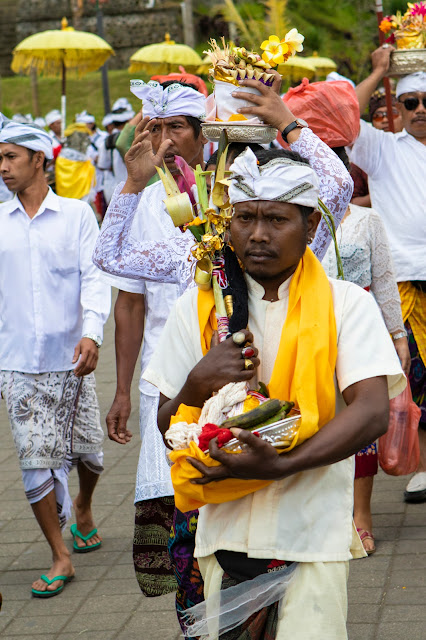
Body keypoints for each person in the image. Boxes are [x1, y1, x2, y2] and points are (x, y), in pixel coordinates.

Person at [142, 92, 406, 638]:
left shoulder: (343, 303)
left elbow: (373, 412)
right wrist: (198, 381)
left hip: (312, 534)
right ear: (228, 224)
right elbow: (169, 423)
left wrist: (282, 464)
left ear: (310, 230)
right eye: (246, 219)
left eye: (277, 220)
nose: (258, 234)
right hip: (224, 530)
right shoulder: (201, 308)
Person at [93, 80, 207, 608]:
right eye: (153, 128)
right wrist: (121, 391)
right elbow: (129, 301)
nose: (163, 140)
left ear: (204, 135)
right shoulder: (140, 199)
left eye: (176, 128)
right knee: (175, 526)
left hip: (232, 372)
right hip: (164, 379)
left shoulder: (233, 191)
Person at [0, 118, 111, 597]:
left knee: (90, 451)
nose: (2, 167)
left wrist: (91, 333)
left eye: (10, 157)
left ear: (39, 160)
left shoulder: (77, 216)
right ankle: (59, 554)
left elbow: (94, 277)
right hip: (16, 362)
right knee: (33, 459)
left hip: (72, 360)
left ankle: (83, 506)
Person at [349, 48, 426, 502]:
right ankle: (421, 468)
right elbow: (339, 115)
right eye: (411, 101)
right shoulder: (381, 149)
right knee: (414, 380)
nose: (420, 110)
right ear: (398, 107)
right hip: (403, 283)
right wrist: (378, 70)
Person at [323, 197, 410, 553]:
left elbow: (385, 277)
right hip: (314, 328)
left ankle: (362, 516)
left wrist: (398, 335)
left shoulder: (368, 219)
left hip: (361, 329)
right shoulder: (301, 216)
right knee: (323, 420)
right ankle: (328, 516)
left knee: (363, 424)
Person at [350, 87, 402, 208]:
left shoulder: (417, 147)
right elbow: (350, 203)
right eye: (378, 116)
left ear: (403, 117)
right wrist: (382, 191)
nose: (385, 120)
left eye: (392, 114)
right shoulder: (362, 157)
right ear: (372, 123)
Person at [97, 98, 135, 203]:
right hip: (137, 188)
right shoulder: (135, 137)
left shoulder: (106, 141)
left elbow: (102, 165)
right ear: (129, 120)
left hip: (115, 189)